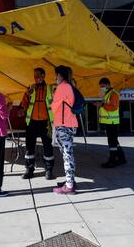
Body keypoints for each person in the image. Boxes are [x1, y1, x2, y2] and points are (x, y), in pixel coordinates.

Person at [17, 68, 55, 180]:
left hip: (46, 123)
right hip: (31, 122)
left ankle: (49, 171)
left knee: (48, 146)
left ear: (43, 76)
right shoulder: (30, 89)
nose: (36, 78)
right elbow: (24, 103)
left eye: (38, 75)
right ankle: (29, 170)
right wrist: (21, 110)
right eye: (34, 76)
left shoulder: (50, 89)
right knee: (29, 147)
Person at [51, 65, 78, 195]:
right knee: (68, 153)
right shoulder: (71, 85)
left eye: (56, 75)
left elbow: (55, 107)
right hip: (71, 123)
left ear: (60, 75)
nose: (56, 77)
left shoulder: (62, 87)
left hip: (63, 124)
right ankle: (70, 181)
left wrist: (53, 97)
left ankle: (69, 186)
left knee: (67, 155)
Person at [98, 78, 126, 168]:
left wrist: (101, 105)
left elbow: (113, 107)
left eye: (102, 86)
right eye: (101, 87)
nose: (102, 88)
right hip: (109, 122)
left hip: (112, 122)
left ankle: (112, 160)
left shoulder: (113, 94)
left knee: (112, 141)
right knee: (114, 141)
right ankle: (121, 158)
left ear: (107, 84)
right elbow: (108, 105)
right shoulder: (108, 94)